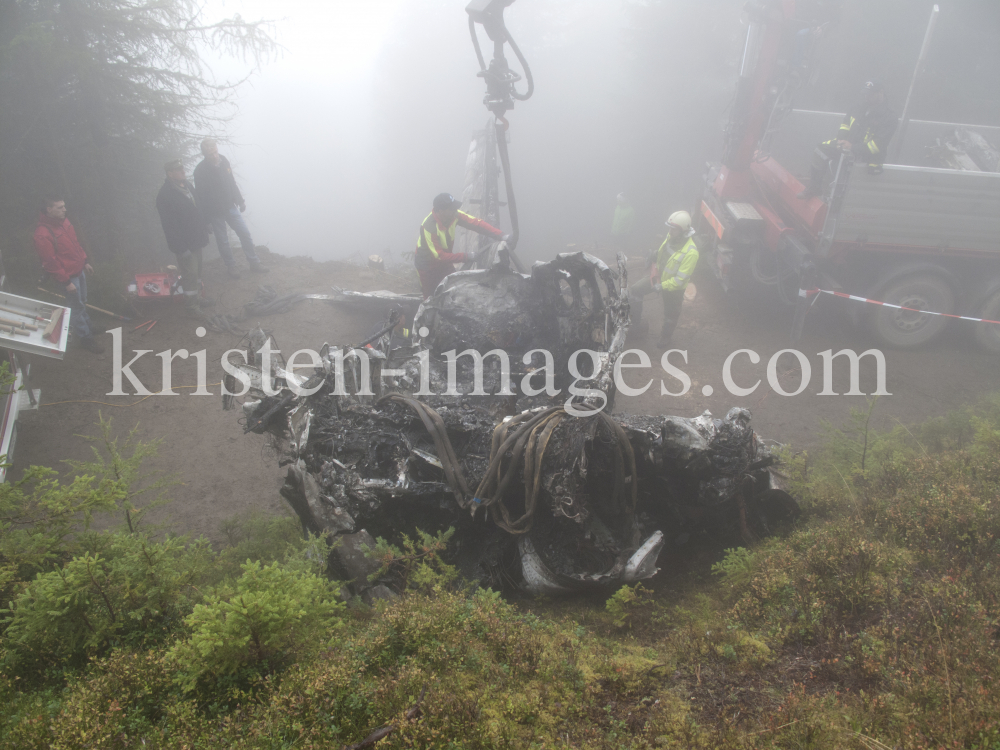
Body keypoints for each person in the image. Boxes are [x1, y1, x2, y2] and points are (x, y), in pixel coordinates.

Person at [799, 80, 897, 198]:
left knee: (844, 175)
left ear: (881, 93)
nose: (866, 97)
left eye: (870, 94)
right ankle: (814, 188)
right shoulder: (858, 108)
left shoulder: (889, 117)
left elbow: (877, 146)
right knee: (820, 149)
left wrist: (852, 147)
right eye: (865, 94)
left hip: (867, 157)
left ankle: (832, 198)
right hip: (847, 147)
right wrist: (841, 140)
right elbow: (845, 125)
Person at [33, 196, 103, 353]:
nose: (64, 209)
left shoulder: (64, 222)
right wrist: (66, 282)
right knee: (75, 307)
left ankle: (89, 327)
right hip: (68, 277)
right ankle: (85, 338)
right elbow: (50, 262)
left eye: (64, 206)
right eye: (60, 207)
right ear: (49, 210)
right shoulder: (42, 234)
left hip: (78, 271)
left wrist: (85, 261)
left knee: (82, 301)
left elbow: (75, 244)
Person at [192, 138, 268, 278]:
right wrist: (206, 220)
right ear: (204, 155)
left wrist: (240, 200)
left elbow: (231, 182)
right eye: (211, 154)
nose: (215, 156)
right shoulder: (200, 171)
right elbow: (200, 197)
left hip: (230, 206)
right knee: (223, 241)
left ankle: (254, 263)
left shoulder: (224, 161)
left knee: (244, 233)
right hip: (215, 213)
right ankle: (231, 266)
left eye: (215, 152)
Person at [414, 193, 508, 299]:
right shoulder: (429, 226)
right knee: (430, 298)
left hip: (445, 261)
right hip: (427, 266)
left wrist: (501, 235)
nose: (455, 210)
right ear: (441, 211)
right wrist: (465, 256)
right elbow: (439, 256)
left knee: (453, 289)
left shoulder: (454, 215)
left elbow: (476, 224)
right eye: (451, 208)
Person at [629, 210, 699, 348]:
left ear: (683, 231)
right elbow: (664, 253)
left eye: (673, 229)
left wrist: (662, 286)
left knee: (671, 315)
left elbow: (680, 280)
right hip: (658, 278)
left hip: (674, 289)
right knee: (635, 290)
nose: (669, 231)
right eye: (669, 227)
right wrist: (654, 255)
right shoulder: (671, 236)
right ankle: (635, 325)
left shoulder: (691, 253)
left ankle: (665, 338)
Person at [156, 160, 214, 315]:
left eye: (182, 168)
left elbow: (198, 207)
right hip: (184, 244)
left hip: (196, 238)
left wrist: (206, 223)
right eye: (178, 169)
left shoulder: (187, 185)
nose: (183, 171)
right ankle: (191, 307)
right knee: (189, 274)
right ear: (170, 173)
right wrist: (180, 248)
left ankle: (198, 299)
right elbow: (169, 226)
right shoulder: (165, 195)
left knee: (197, 273)